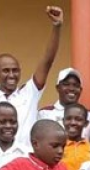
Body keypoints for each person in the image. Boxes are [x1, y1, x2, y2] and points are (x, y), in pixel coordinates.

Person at [0, 6, 64, 147]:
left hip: (25, 162)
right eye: (6, 70)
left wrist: (57, 26)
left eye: (15, 70)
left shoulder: (29, 94)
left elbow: (47, 61)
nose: (12, 75)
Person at [38, 67, 90, 139]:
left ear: (80, 90)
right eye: (66, 84)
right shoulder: (45, 113)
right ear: (58, 88)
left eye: (76, 85)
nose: (71, 88)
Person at [61, 103, 90, 170]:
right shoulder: (57, 147)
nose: (73, 122)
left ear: (86, 123)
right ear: (63, 121)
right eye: (68, 118)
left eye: (78, 119)